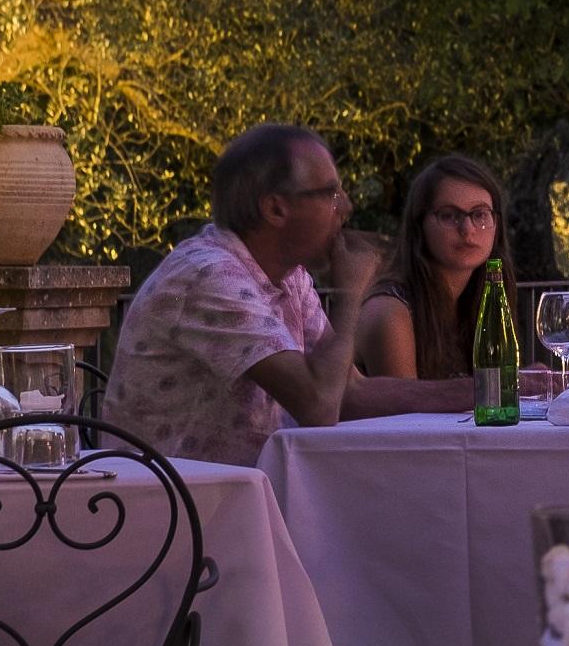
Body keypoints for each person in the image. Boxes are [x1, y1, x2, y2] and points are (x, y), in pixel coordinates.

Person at [103, 124, 461, 465]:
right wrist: (352, 296)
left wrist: (475, 394)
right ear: (275, 208)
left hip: (238, 497)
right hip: (173, 510)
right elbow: (318, 405)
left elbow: (349, 393)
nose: (347, 207)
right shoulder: (209, 274)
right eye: (330, 194)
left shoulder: (291, 278)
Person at [356, 155, 520, 383]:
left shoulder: (480, 299)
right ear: (420, 225)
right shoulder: (389, 311)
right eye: (449, 215)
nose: (467, 229)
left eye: (480, 214)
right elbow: (405, 410)